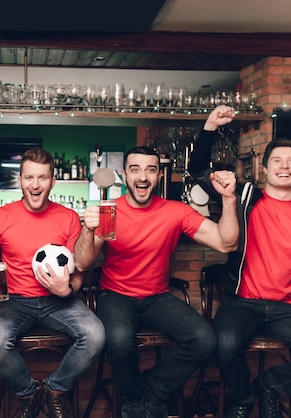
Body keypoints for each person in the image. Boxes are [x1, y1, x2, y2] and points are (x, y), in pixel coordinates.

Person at [188, 105, 291, 418]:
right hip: (243, 303)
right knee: (224, 346)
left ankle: (270, 385)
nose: (284, 166)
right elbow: (197, 172)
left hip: (288, 309)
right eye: (277, 161)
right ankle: (242, 396)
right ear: (264, 169)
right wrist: (209, 127)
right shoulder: (244, 197)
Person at [74, 146, 239, 418]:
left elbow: (226, 242)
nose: (143, 176)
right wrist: (86, 229)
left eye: (150, 169)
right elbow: (82, 263)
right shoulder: (110, 211)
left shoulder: (176, 211)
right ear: (124, 175)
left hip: (157, 297)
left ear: (158, 175)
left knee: (204, 339)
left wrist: (229, 199)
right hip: (115, 295)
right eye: (135, 169)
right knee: (118, 338)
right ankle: (135, 397)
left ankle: (149, 392)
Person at [0, 147, 105, 418]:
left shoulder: (68, 217)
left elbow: (79, 272)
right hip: (14, 302)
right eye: (29, 178)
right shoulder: (1, 217)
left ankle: (53, 391)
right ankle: (30, 394)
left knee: (95, 335)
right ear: (19, 180)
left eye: (42, 178)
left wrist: (66, 289)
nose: (35, 185)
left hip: (60, 302)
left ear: (53, 182)